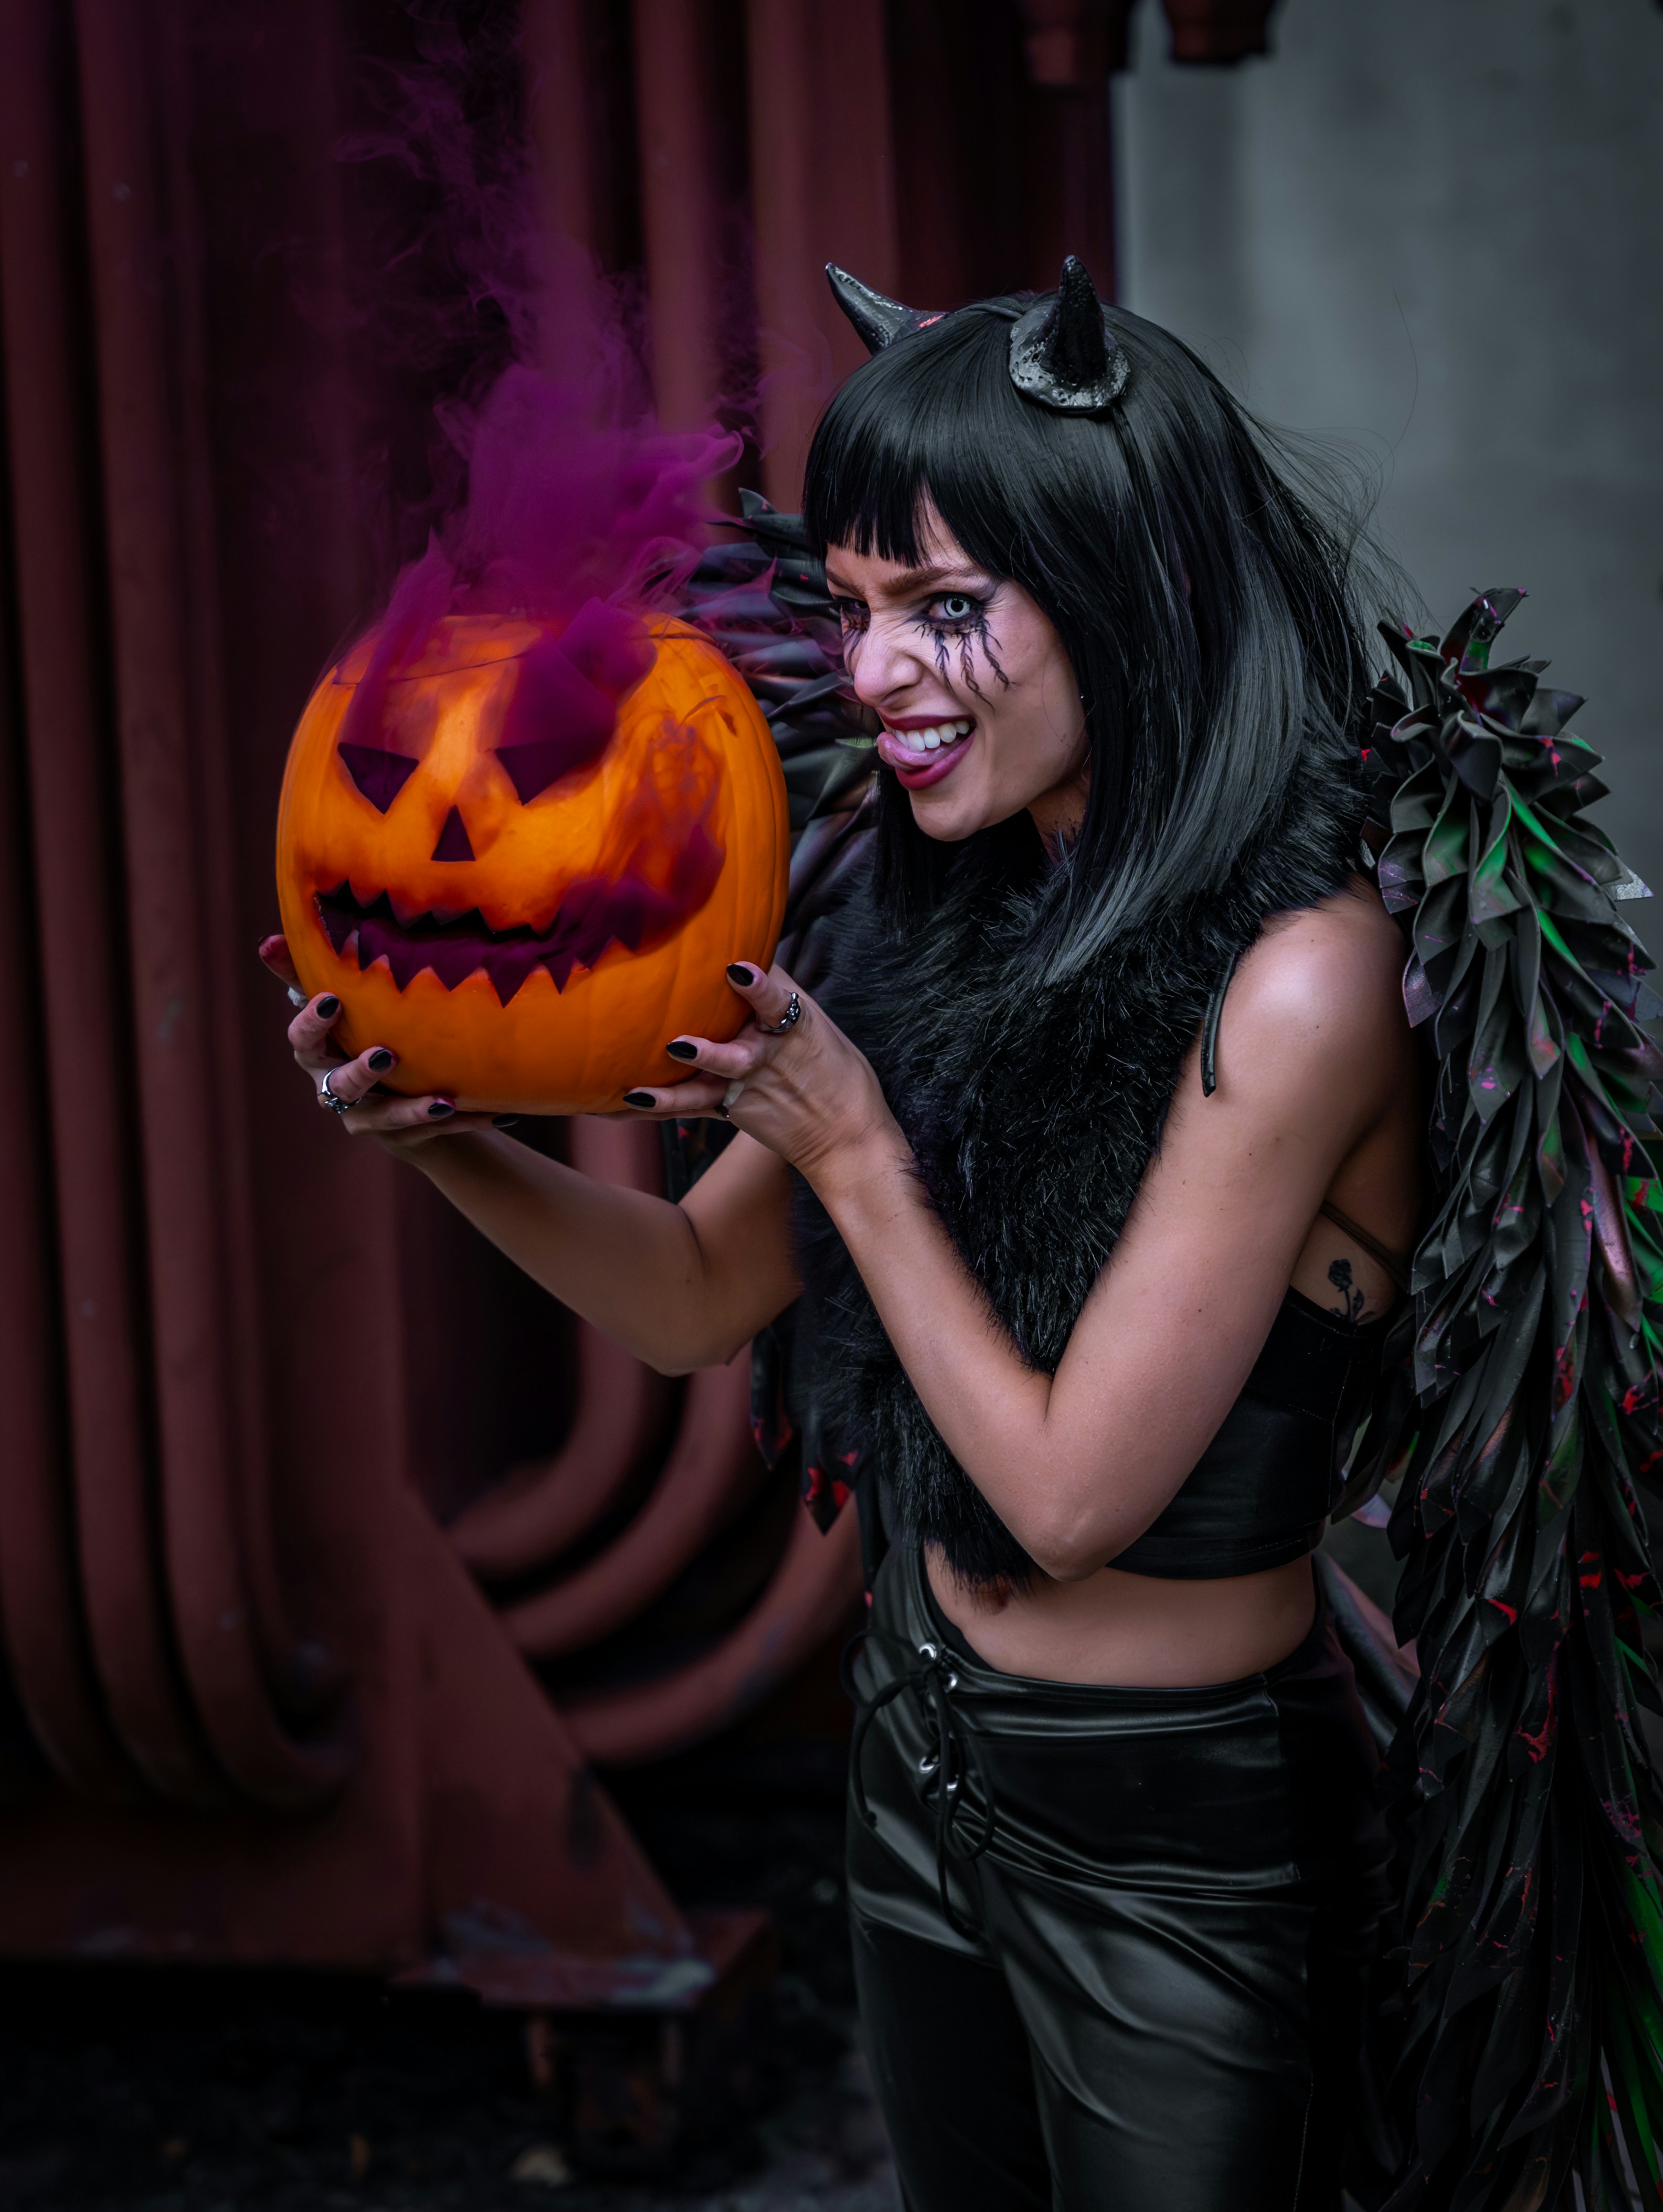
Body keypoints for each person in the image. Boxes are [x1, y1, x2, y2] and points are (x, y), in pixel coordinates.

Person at [263, 262, 1429, 2212]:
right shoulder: (936, 905)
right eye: (854, 609)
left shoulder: (1307, 980)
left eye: (947, 610)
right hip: (918, 1760)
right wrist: (447, 1141)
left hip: (1177, 1845)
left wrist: (861, 1146)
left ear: (1134, 595)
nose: (874, 676)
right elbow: (696, 1295)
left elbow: (1071, 1500)